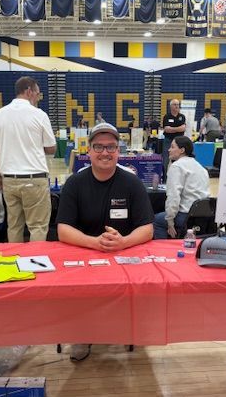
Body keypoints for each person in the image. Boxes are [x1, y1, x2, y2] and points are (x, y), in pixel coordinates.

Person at [56, 122, 154, 361]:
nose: (105, 153)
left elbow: (148, 228)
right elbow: (63, 229)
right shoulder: (75, 183)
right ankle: (82, 335)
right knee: (79, 293)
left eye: (111, 147)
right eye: (98, 147)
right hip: (84, 254)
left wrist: (124, 242)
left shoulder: (132, 182)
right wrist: (93, 243)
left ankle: (125, 329)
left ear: (118, 151)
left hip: (123, 255)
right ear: (88, 150)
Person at [0, 76, 56, 242]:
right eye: (38, 94)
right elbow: (51, 147)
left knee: (14, 226)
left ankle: (16, 264)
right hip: (35, 178)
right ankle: (35, 264)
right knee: (37, 227)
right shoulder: (39, 115)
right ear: (29, 91)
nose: (38, 98)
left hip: (9, 179)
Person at [153, 136, 210, 239]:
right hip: (204, 217)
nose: (169, 149)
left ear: (182, 150)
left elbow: (173, 197)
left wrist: (170, 222)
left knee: (156, 221)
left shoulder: (177, 166)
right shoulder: (201, 168)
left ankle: (162, 250)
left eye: (172, 147)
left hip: (185, 216)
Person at [162, 99, 186, 178]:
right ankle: (165, 178)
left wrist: (172, 129)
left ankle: (178, 178)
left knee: (179, 160)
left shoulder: (182, 117)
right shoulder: (167, 116)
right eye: (175, 104)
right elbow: (166, 129)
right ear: (170, 106)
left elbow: (183, 128)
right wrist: (177, 129)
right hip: (168, 141)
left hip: (179, 142)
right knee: (166, 159)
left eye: (178, 104)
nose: (177, 106)